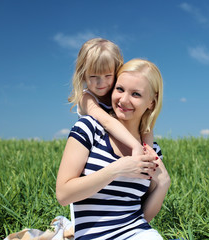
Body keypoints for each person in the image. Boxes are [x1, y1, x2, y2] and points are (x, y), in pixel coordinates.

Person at [56, 59, 171, 240]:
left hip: (138, 233)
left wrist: (163, 183)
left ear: (151, 102)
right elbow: (63, 195)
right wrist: (117, 169)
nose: (124, 100)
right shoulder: (89, 128)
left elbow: (143, 216)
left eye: (136, 94)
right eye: (120, 89)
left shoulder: (151, 150)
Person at [68, 38, 154, 156]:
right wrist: (135, 145)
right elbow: (107, 121)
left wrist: (149, 151)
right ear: (83, 75)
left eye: (108, 75)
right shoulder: (86, 98)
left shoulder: (118, 93)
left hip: (119, 145)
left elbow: (145, 124)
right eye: (93, 76)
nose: (101, 83)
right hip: (94, 147)